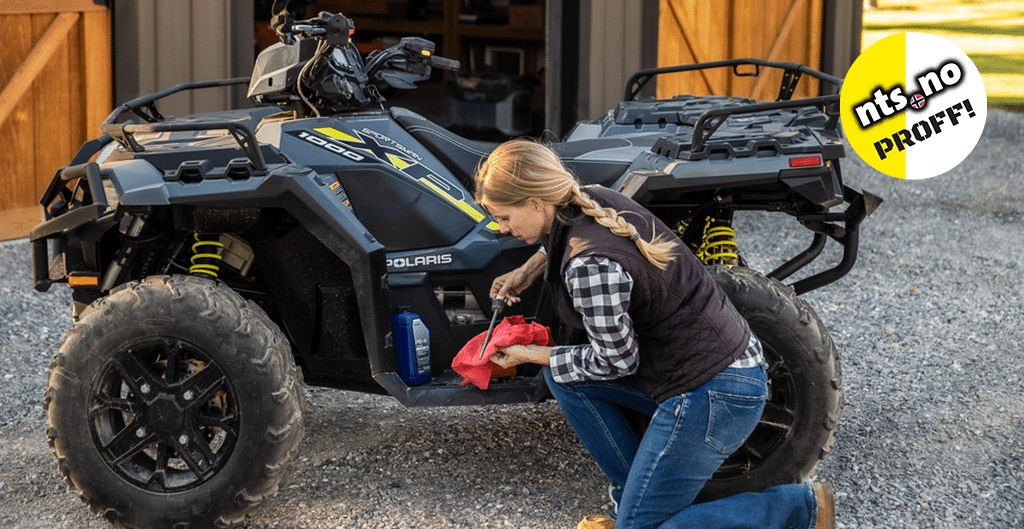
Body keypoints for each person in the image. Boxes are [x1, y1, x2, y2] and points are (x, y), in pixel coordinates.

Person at [474, 139, 835, 529]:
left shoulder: (588, 266)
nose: (503, 228)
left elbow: (615, 361)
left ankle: (798, 509)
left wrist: (530, 354)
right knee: (565, 378)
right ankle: (634, 494)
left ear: (535, 202)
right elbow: (556, 238)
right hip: (713, 367)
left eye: (505, 217)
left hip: (716, 392)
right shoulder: (592, 199)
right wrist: (527, 270)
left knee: (641, 528)